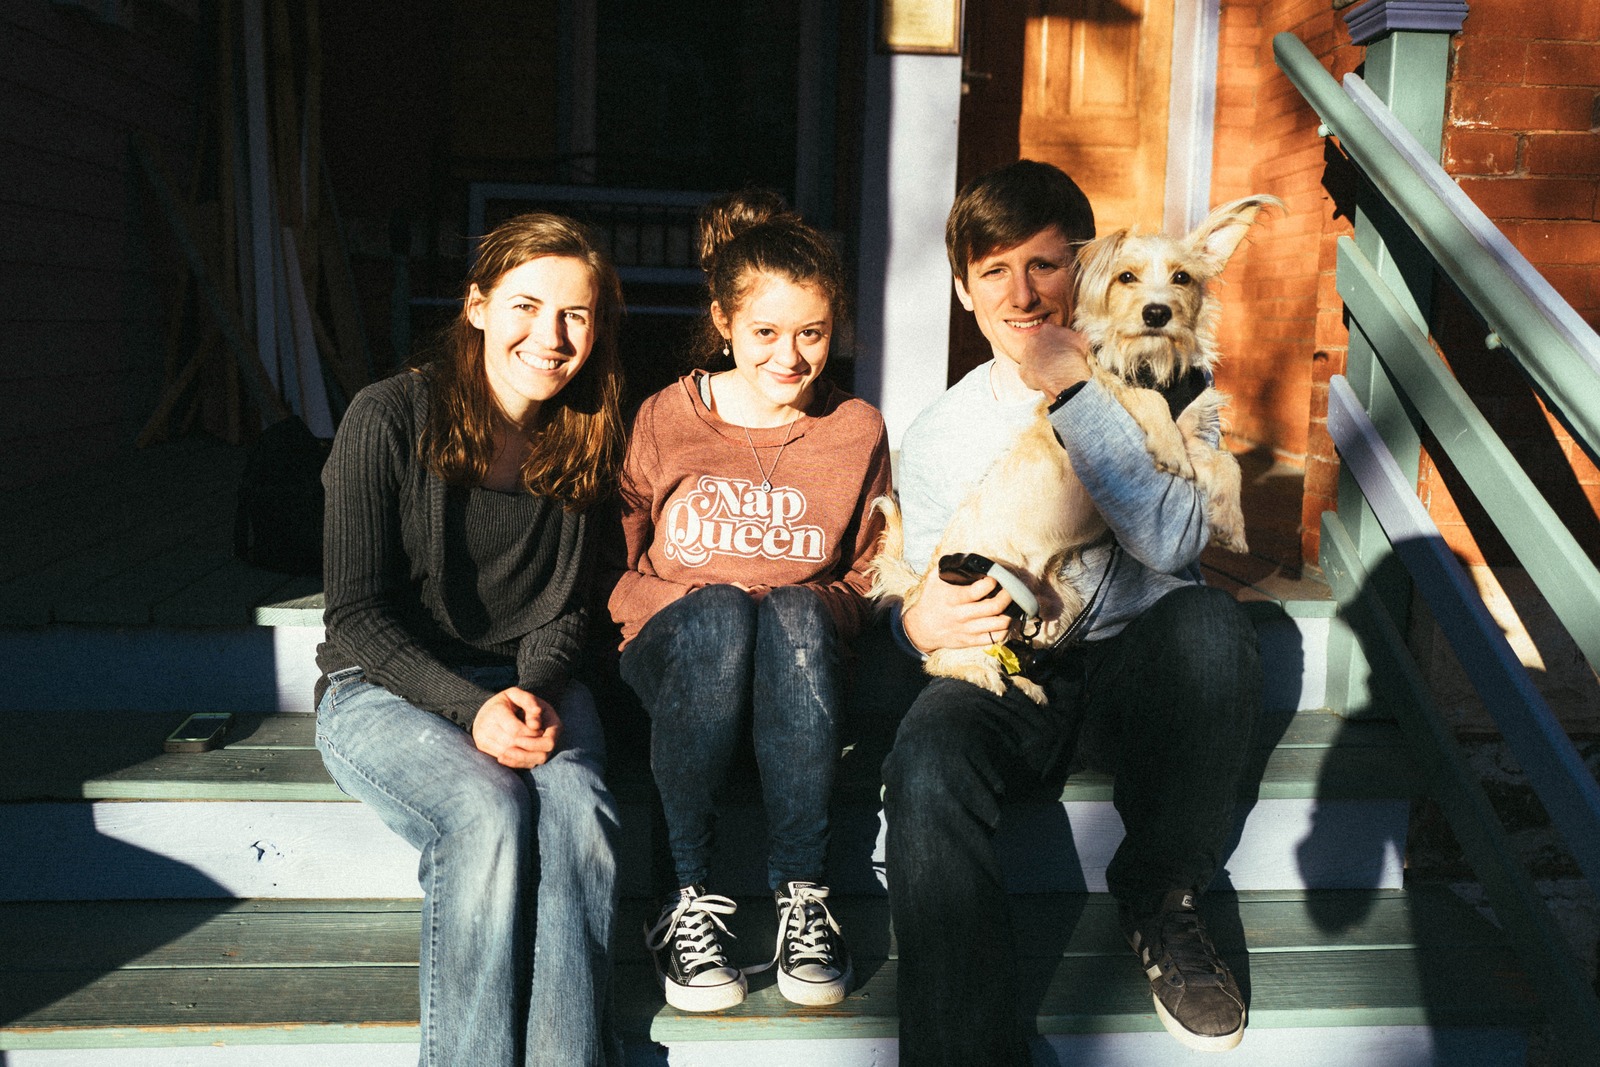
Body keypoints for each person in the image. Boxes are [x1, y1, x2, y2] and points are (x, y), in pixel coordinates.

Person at [880, 160, 1262, 1063]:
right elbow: (930, 576)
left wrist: (1077, 395)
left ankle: (1163, 899)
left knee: (1215, 629)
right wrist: (913, 623)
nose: (1021, 294)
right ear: (964, 288)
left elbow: (1172, 543)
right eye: (993, 271)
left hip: (1142, 668)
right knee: (928, 749)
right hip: (1015, 668)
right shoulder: (940, 431)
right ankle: (964, 1044)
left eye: (1044, 265)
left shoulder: (1167, 378)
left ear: (1085, 271)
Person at [313, 213, 627, 1067]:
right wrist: (472, 705)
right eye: (527, 305)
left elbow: (573, 606)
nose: (551, 336)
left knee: (578, 818)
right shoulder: (387, 416)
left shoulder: (590, 429)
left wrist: (531, 688)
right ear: (478, 306)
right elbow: (356, 615)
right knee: (487, 811)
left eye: (576, 315)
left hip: (532, 678)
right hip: (381, 687)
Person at [608, 190, 891, 1013]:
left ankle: (804, 895)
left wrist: (796, 609)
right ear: (724, 322)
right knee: (725, 611)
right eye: (766, 332)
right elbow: (613, 564)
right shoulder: (667, 415)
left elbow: (869, 572)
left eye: (812, 332)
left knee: (795, 611)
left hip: (795, 679)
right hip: (676, 668)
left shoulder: (856, 429)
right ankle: (683, 896)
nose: (791, 356)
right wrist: (709, 603)